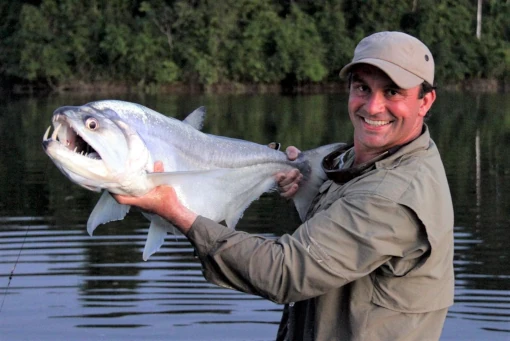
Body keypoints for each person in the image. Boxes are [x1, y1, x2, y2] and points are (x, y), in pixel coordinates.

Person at [114, 31, 454, 341]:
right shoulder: (368, 161)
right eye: (362, 87)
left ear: (425, 101)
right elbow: (344, 193)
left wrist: (174, 211)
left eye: (392, 92)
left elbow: (285, 273)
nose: (372, 106)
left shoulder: (393, 194)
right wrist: (304, 178)